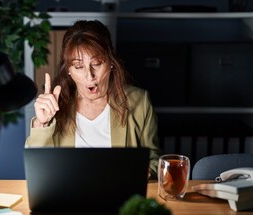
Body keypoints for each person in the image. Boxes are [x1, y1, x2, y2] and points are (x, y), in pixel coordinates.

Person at [25, 20, 161, 178]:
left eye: (96, 63)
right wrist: (42, 124)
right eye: (78, 66)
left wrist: (147, 171)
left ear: (111, 63)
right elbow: (38, 171)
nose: (90, 76)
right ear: (68, 70)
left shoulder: (139, 101)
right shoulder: (56, 104)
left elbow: (154, 161)